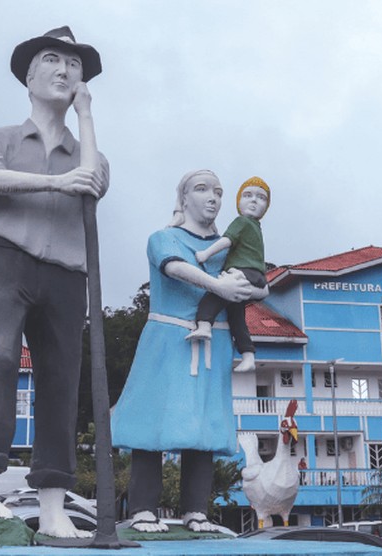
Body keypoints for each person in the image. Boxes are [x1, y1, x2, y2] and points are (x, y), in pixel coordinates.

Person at [0, 26, 108, 539]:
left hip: (67, 273)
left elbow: (93, 182)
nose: (64, 70)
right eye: (52, 60)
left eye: (75, 65)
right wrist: (52, 183)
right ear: (28, 75)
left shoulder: (88, 152)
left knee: (62, 383)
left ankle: (52, 504)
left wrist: (86, 114)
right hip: (3, 258)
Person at [111, 170, 266, 533]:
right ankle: (143, 509)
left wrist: (248, 291)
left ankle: (197, 511)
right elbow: (175, 267)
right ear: (183, 199)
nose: (212, 197)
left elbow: (260, 285)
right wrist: (218, 286)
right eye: (202, 189)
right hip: (169, 340)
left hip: (216, 343)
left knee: (205, 426)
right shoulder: (164, 238)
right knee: (152, 424)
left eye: (218, 192)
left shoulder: (233, 243)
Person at [186, 176, 271, 372]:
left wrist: (205, 253)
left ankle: (205, 325)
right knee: (237, 317)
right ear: (239, 201)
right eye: (248, 195)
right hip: (257, 276)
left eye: (261, 197)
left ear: (265, 207)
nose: (254, 200)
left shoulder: (242, 221)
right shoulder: (257, 228)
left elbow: (227, 241)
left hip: (242, 273)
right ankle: (248, 355)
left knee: (214, 296)